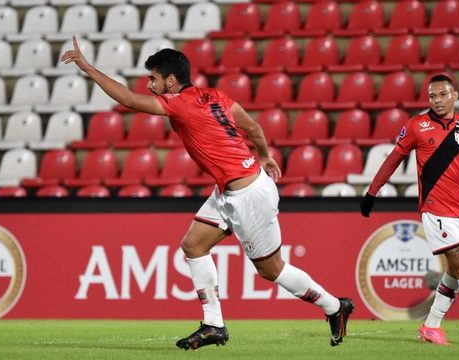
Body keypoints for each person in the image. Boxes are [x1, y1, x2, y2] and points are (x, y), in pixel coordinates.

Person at [62, 37, 354, 350]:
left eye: (153, 78)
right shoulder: (216, 96)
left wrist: (87, 67)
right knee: (193, 245)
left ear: (171, 81)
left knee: (271, 271)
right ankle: (213, 324)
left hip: (249, 196)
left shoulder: (178, 103)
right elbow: (253, 128)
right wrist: (265, 155)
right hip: (230, 189)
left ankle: (334, 307)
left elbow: (129, 101)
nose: (149, 84)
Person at [359, 74, 459, 347]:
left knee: (455, 272)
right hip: (435, 209)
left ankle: (431, 326)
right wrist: (372, 192)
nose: (437, 100)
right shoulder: (417, 126)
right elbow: (394, 159)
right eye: (432, 96)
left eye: (443, 95)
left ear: (455, 95)